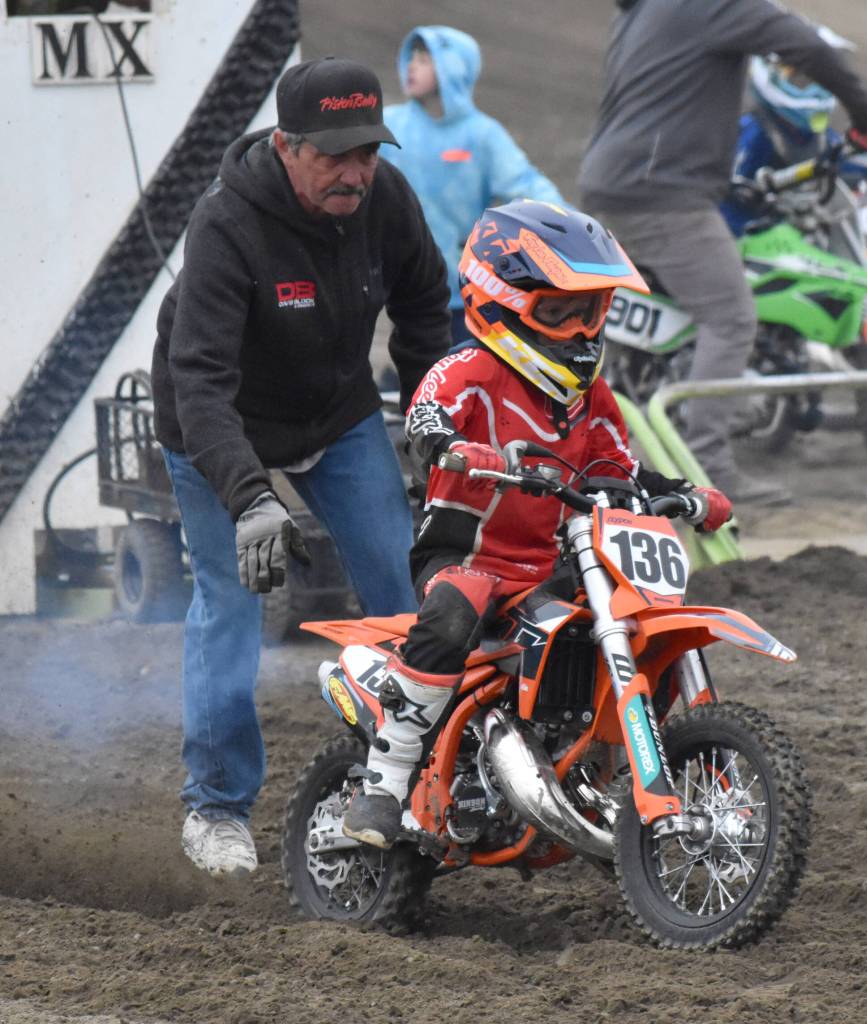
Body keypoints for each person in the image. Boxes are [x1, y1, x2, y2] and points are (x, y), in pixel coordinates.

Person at [342, 199, 733, 849]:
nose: (580, 330)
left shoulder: (591, 398)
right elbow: (427, 411)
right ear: (501, 306)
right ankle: (381, 786)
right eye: (557, 312)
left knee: (641, 619)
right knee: (456, 601)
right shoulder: (472, 371)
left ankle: (600, 767)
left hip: (553, 567)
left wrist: (681, 494)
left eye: (591, 310)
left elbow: (617, 468)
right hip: (467, 562)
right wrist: (447, 445)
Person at [151, 57, 451, 877]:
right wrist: (249, 496)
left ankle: (420, 778)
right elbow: (200, 380)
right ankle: (214, 809)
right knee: (233, 601)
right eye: (335, 155)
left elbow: (427, 311)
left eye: (368, 152)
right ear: (285, 146)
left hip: (334, 414)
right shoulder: (226, 227)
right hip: (216, 425)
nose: (356, 172)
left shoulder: (385, 199)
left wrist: (435, 420)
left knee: (408, 586)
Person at [579, 0, 867, 506]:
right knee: (730, 318)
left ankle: (641, 440)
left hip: (609, 181)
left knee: (678, 311)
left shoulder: (640, 14)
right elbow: (807, 43)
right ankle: (709, 468)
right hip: (664, 192)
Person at [383, 25, 566, 344]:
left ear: (452, 67)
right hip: (396, 282)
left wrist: (567, 224)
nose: (411, 65)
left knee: (450, 365)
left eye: (425, 59)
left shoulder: (482, 135)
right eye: (411, 57)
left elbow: (525, 183)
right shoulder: (390, 124)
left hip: (458, 288)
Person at [722, 34, 867, 237]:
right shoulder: (752, 133)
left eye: (820, 82)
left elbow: (849, 161)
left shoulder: (818, 137)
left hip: (802, 240)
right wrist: (744, 194)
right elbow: (726, 185)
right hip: (741, 243)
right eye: (801, 81)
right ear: (768, 72)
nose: (814, 91)